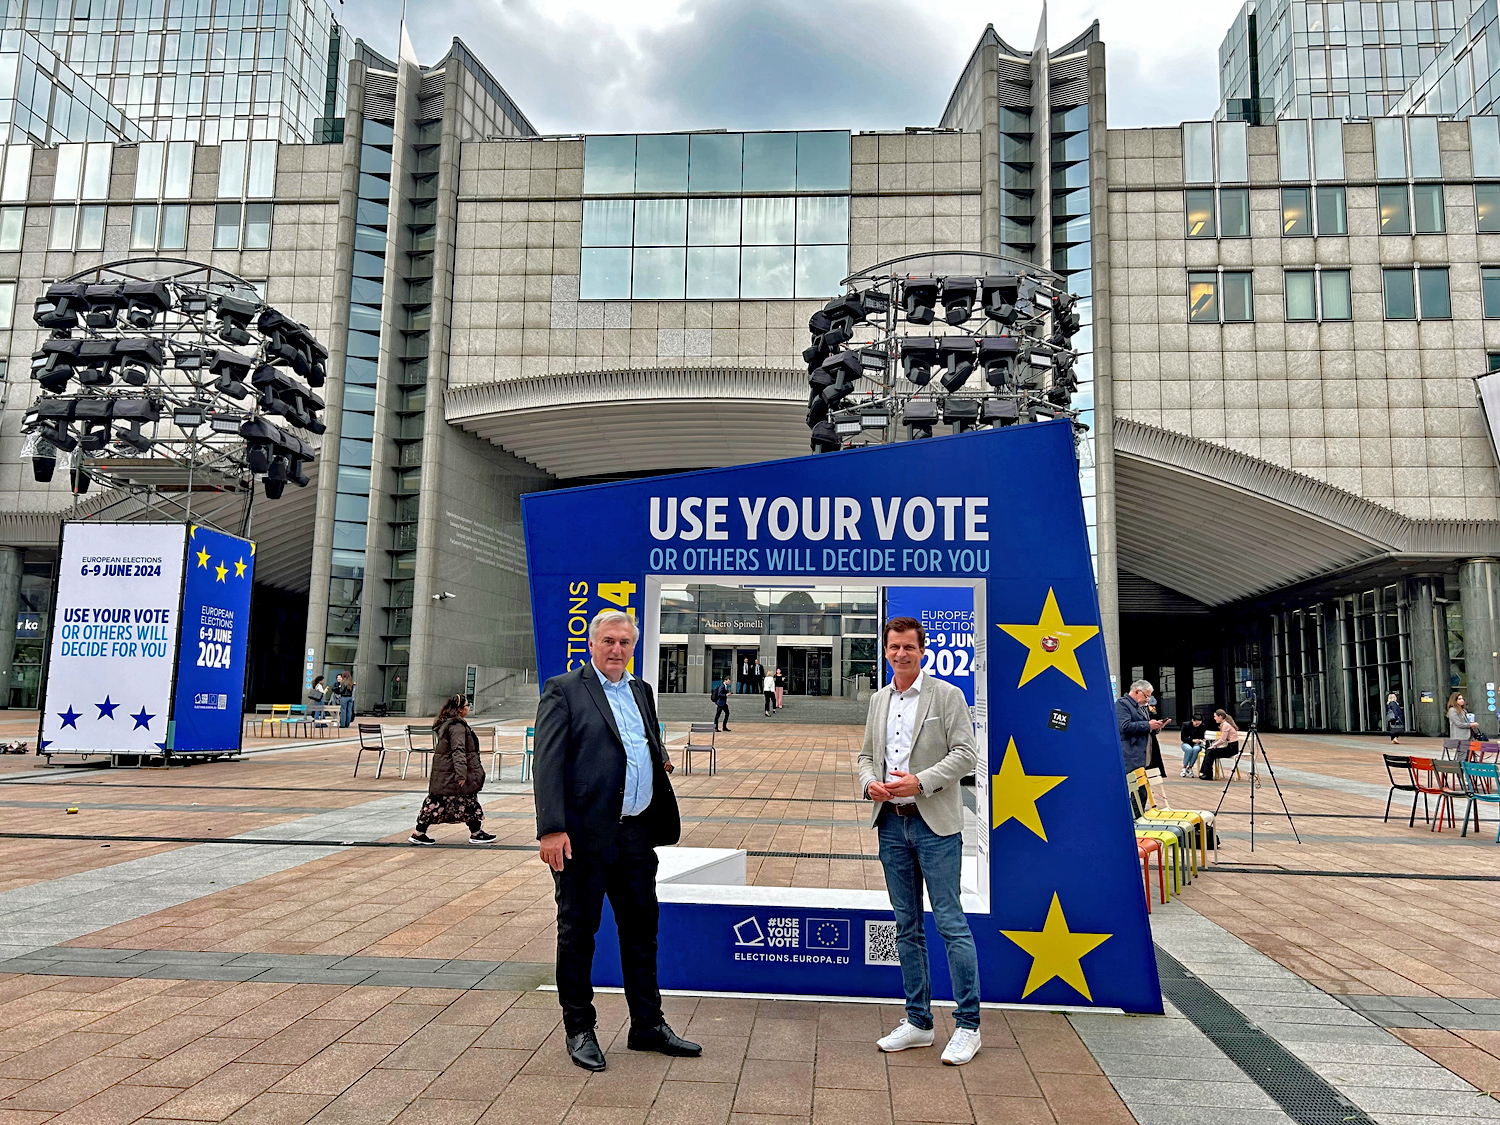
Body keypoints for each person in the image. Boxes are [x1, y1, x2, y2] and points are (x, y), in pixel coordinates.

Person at [532, 609, 700, 1073]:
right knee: (578, 934)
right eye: (608, 641)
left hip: (636, 834)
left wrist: (656, 760)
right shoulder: (564, 690)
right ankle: (579, 1028)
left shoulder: (641, 690)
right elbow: (547, 763)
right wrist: (551, 828)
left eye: (625, 642)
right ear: (591, 644)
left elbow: (641, 741)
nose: (616, 649)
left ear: (633, 647)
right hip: (582, 838)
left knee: (642, 932)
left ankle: (647, 1024)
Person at [857, 616, 982, 1067]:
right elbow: (866, 755)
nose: (900, 654)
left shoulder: (946, 695)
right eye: (894, 647)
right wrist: (869, 782)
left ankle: (968, 1026)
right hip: (891, 825)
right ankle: (918, 1022)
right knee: (906, 926)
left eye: (908, 646)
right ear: (886, 650)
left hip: (935, 826)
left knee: (950, 923)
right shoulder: (879, 700)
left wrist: (921, 782)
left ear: (922, 650)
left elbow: (966, 754)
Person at [410, 694, 495, 845]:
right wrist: (461, 773)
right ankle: (419, 833)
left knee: (464, 801)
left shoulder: (449, 723)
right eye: (467, 705)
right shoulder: (457, 727)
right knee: (452, 800)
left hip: (447, 772)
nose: (469, 708)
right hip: (452, 772)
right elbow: (458, 750)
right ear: (460, 709)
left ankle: (475, 832)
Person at [1116, 680, 1165, 775]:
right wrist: (1148, 725)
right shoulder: (1122, 704)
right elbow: (1124, 726)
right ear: (1137, 691)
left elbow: (1146, 727)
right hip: (1131, 754)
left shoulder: (1141, 706)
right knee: (1133, 781)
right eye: (1146, 696)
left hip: (1144, 753)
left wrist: (1155, 727)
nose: (1147, 700)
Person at [1198, 709, 1240, 780]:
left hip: (1232, 748)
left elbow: (1222, 740)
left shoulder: (1226, 725)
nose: (1214, 718)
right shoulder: (1224, 724)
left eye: (1215, 716)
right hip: (1230, 746)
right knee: (1209, 751)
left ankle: (1207, 774)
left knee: (1210, 752)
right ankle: (1206, 772)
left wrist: (1214, 745)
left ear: (1220, 716)